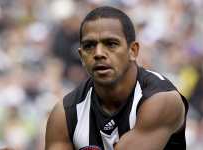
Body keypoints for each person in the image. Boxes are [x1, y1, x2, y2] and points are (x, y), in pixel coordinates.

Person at [45, 6, 188, 150]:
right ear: (81, 57)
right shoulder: (65, 114)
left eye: (111, 44)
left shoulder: (161, 99)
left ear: (133, 51)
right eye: (89, 46)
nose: (99, 53)